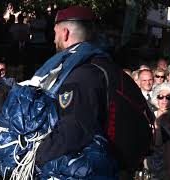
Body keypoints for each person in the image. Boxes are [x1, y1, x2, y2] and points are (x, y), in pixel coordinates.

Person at [33, 6, 118, 178]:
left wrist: (35, 157)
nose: (54, 39)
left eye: (55, 33)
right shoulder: (104, 63)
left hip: (85, 169)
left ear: (64, 33)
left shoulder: (80, 74)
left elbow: (73, 129)